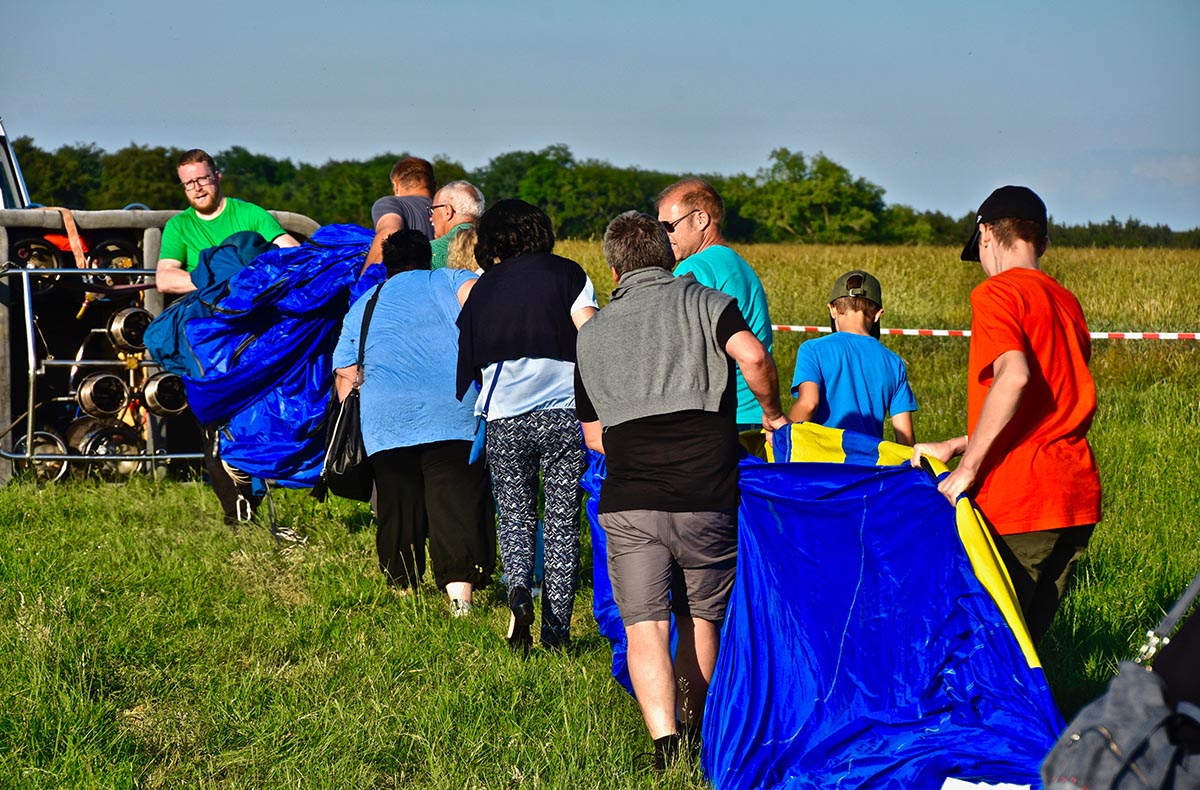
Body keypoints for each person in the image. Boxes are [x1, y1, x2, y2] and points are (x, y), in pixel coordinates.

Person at [574, 211, 789, 770]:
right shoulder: (707, 303)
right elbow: (754, 356)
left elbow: (593, 435)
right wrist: (771, 413)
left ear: (613, 268)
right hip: (706, 491)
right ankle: (700, 730)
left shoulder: (592, 333)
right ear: (668, 254)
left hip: (628, 499)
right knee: (700, 617)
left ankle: (666, 744)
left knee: (645, 623)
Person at [911, 185, 1102, 645]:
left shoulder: (997, 293)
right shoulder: (1066, 301)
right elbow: (1044, 406)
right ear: (1043, 242)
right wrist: (957, 443)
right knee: (1027, 652)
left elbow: (1013, 379)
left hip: (1021, 499)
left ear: (986, 235)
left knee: (992, 653)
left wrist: (968, 468)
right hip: (1074, 497)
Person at [455, 199, 597, 652]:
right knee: (560, 522)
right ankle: (557, 632)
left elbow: (471, 361)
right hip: (564, 414)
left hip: (505, 418)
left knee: (514, 516)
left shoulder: (483, 289)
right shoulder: (569, 274)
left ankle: (518, 589)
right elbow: (589, 333)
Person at [333, 229, 495, 613]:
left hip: (387, 422)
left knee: (398, 507)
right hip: (452, 414)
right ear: (428, 257)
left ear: (387, 266)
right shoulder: (450, 278)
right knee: (454, 504)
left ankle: (404, 593)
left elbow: (344, 368)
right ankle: (460, 601)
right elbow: (482, 302)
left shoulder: (367, 303)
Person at [656, 178, 773, 430]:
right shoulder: (740, 266)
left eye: (669, 226)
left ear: (701, 219)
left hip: (719, 414)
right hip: (754, 412)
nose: (664, 236)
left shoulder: (693, 268)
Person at [789, 270, 917, 444]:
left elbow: (808, 404)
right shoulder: (894, 363)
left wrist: (783, 434)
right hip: (868, 467)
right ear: (878, 314)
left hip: (819, 465)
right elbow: (905, 437)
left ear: (832, 309)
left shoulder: (812, 349)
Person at [156, 149, 299, 295]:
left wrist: (253, 278)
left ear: (217, 177)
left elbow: (295, 253)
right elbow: (164, 279)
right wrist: (217, 279)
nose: (197, 188)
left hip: (254, 298)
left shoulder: (250, 213)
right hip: (206, 307)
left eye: (203, 179)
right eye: (189, 183)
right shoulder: (178, 225)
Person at [362, 157, 436, 272]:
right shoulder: (448, 209)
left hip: (410, 285)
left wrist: (365, 284)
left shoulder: (391, 204)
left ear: (395, 184)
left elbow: (388, 234)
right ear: (434, 185)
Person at [429, 181, 484, 269]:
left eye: (432, 210)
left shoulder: (428, 251)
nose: (431, 218)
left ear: (448, 211)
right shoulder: (494, 244)